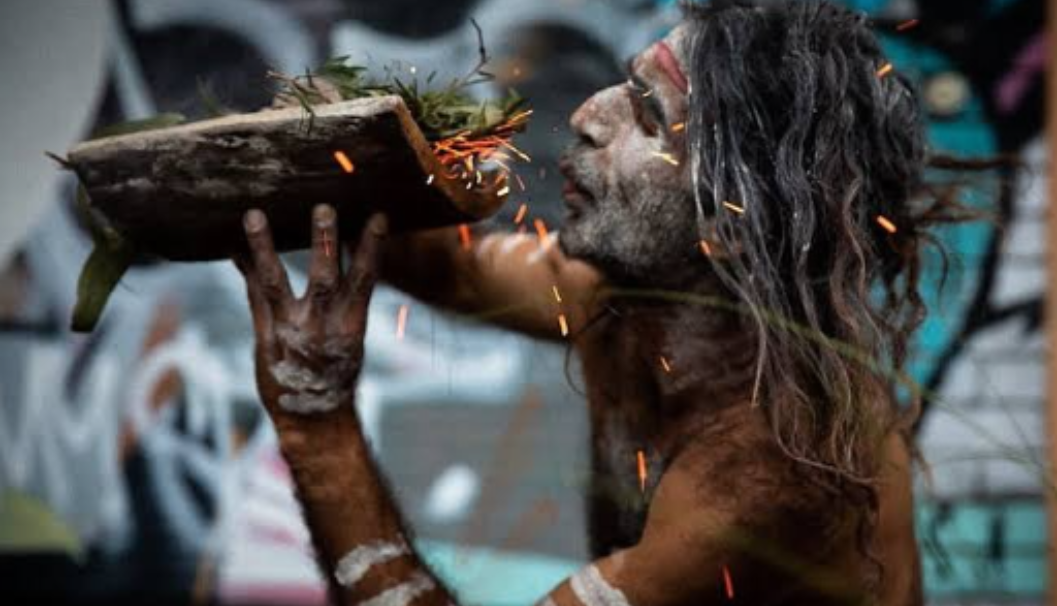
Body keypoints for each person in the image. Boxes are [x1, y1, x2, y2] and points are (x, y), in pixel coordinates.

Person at [232, 1, 943, 604]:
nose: (585, 114)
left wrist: (315, 424)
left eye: (648, 116)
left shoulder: (766, 471)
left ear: (729, 225)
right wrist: (348, 156)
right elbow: (456, 271)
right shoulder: (626, 298)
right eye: (625, 84)